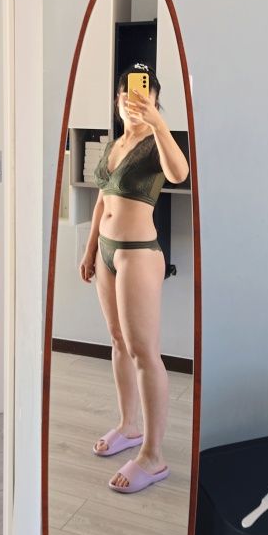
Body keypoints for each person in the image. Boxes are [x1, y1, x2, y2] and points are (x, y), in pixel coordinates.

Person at [79, 62, 190, 493]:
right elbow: (101, 200)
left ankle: (153, 456)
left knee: (144, 351)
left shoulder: (155, 141)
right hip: (107, 253)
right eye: (126, 94)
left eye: (143, 95)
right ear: (117, 100)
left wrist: (157, 123)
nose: (132, 101)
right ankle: (129, 426)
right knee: (118, 341)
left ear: (155, 101)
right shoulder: (115, 143)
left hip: (138, 255)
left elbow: (179, 173)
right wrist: (90, 248)